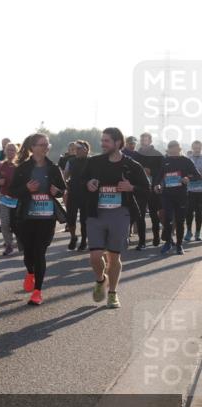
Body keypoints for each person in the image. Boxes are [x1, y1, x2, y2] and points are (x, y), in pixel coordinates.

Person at [83, 128, 150, 309]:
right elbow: (81, 181)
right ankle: (100, 279)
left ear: (118, 143)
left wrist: (131, 187)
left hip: (120, 214)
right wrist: (88, 184)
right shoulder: (94, 162)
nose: (102, 144)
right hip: (96, 213)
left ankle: (112, 293)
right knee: (95, 257)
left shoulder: (132, 165)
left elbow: (146, 189)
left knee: (114, 257)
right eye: (102, 140)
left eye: (106, 141)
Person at [8, 134, 66, 305]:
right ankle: (30, 272)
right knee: (28, 253)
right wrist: (26, 188)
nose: (45, 147)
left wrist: (58, 192)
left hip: (46, 218)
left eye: (47, 144)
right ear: (32, 147)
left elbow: (63, 189)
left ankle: (37, 291)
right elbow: (12, 191)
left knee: (40, 252)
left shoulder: (53, 168)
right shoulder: (23, 168)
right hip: (26, 218)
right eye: (41, 145)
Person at [156, 140, 201, 255]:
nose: (173, 152)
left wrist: (187, 178)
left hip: (181, 195)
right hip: (167, 195)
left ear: (179, 149)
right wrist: (157, 185)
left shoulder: (186, 160)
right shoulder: (165, 161)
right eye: (171, 150)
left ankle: (179, 245)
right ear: (169, 150)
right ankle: (168, 242)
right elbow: (159, 176)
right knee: (168, 219)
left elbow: (197, 175)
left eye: (175, 150)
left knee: (180, 221)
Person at [133, 132, 164, 248]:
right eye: (141, 140)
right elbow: (130, 170)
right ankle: (142, 242)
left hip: (153, 188)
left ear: (150, 141)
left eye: (144, 140)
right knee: (140, 215)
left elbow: (162, 172)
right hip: (139, 189)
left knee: (153, 214)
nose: (142, 142)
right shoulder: (136, 155)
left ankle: (156, 236)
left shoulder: (158, 154)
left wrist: (151, 171)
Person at [0, 141, 20, 256]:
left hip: (17, 198)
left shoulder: (20, 166)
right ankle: (9, 245)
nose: (10, 152)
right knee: (5, 223)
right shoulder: (1, 165)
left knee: (16, 223)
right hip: (3, 197)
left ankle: (20, 241)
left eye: (13, 150)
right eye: (8, 150)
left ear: (16, 152)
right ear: (5, 151)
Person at [64, 140, 92, 251]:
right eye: (76, 148)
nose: (77, 150)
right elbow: (65, 176)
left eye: (79, 148)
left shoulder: (92, 161)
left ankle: (84, 240)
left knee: (84, 219)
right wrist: (65, 185)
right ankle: (73, 237)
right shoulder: (70, 161)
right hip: (73, 192)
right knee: (71, 218)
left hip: (87, 193)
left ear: (86, 149)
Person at [187, 140, 202, 242]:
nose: (197, 149)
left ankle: (198, 232)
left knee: (199, 213)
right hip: (189, 190)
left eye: (199, 147)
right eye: (195, 147)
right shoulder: (188, 159)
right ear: (192, 147)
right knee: (188, 212)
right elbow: (183, 172)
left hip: (201, 191)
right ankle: (188, 231)